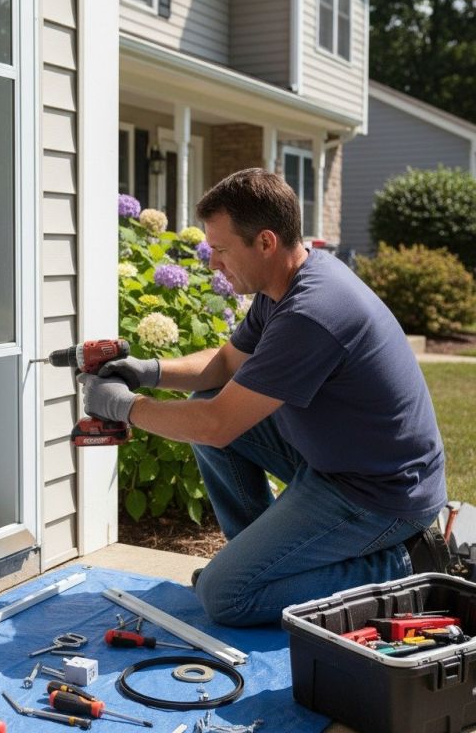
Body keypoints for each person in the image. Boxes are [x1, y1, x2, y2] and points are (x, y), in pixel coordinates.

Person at [80, 168, 450, 627]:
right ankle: (257, 561)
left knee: (226, 598)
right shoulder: (283, 285)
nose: (212, 262)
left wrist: (122, 406)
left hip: (380, 495)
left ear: (266, 242)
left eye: (220, 250)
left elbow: (218, 423)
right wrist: (144, 373)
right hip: (337, 459)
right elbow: (224, 365)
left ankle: (405, 565)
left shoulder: (313, 312)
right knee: (208, 393)